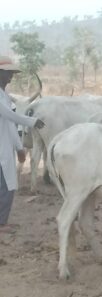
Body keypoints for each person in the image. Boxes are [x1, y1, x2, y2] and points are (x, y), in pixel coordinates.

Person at [0, 56, 45, 233]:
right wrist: (32, 121)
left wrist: (19, 147)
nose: (11, 77)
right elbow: (11, 117)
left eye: (12, 74)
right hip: (1, 150)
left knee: (7, 186)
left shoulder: (4, 96)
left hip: (5, 148)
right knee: (5, 186)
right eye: (8, 73)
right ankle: (2, 224)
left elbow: (9, 124)